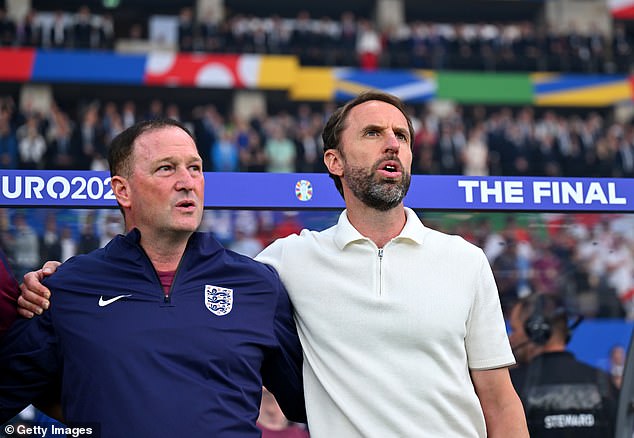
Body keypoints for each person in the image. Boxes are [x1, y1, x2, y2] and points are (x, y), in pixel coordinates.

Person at [18, 92, 526, 437]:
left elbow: (500, 402)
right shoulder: (285, 262)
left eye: (402, 135)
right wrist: (50, 283)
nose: (393, 143)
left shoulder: (465, 260)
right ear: (334, 162)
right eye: (373, 133)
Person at [0, 118, 305, 437]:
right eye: (166, 168)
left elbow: (309, 400)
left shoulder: (257, 285)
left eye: (195, 168)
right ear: (122, 190)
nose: (187, 182)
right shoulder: (66, 287)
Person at [508, 293, 618, 437]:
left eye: (514, 329)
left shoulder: (512, 386)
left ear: (536, 330)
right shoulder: (604, 382)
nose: (510, 338)